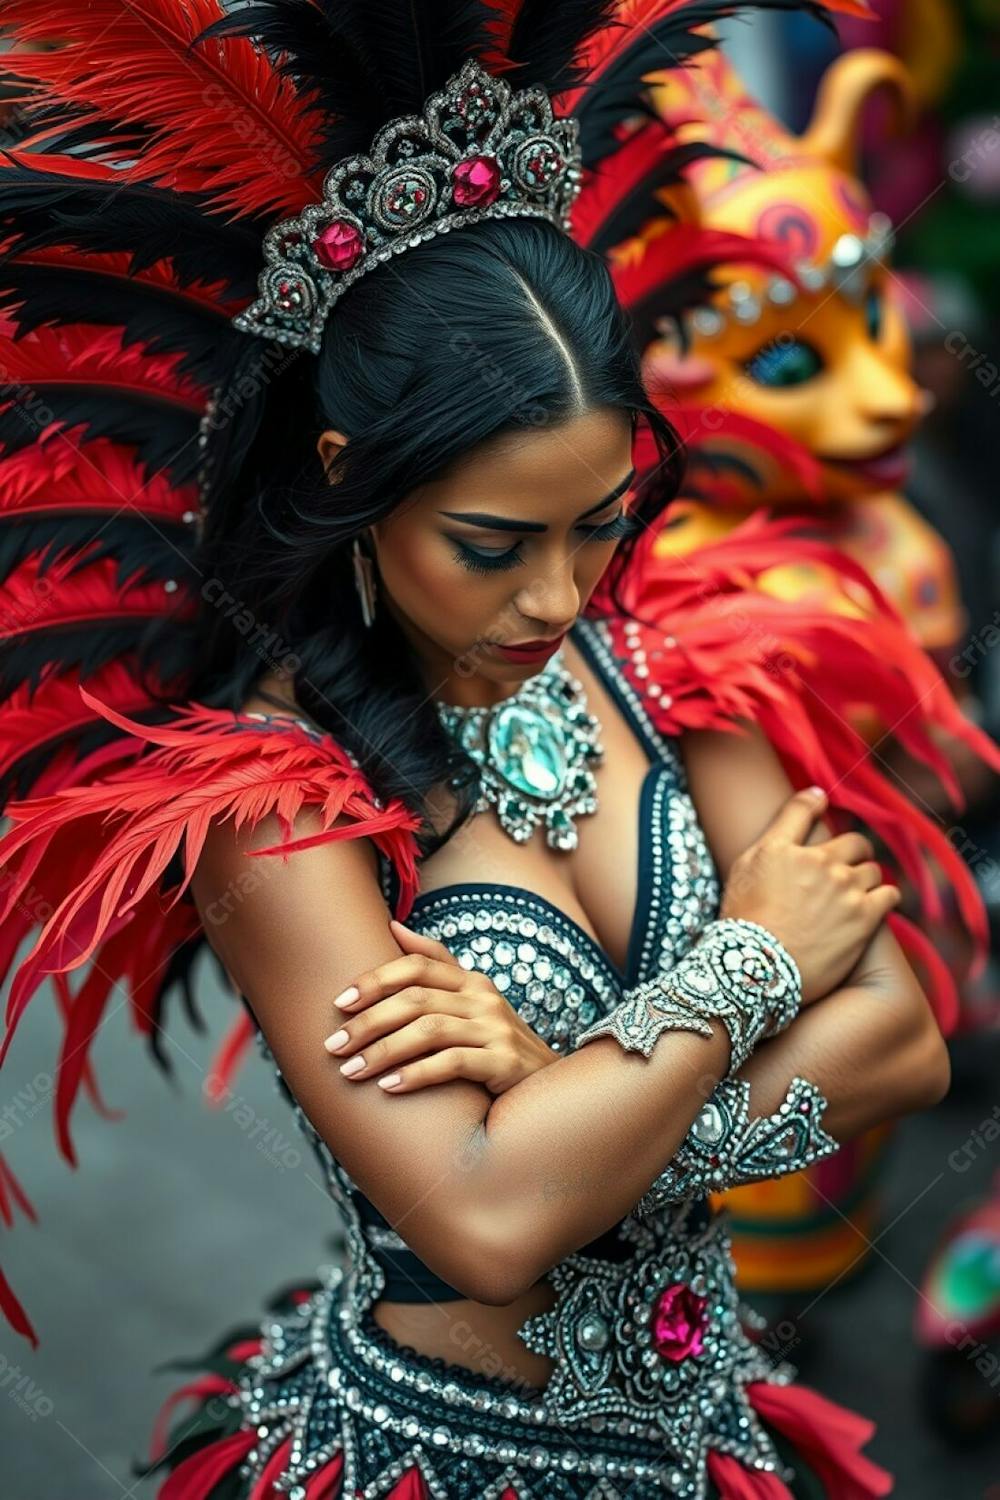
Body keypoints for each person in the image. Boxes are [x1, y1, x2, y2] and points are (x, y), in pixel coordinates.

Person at [0, 3, 997, 1496]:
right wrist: (749, 963)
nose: (556, 595)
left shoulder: (670, 640)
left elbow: (905, 1032)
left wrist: (555, 1090)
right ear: (352, 482)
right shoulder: (273, 810)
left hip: (707, 1439)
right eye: (492, 543)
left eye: (598, 523)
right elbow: (477, 1223)